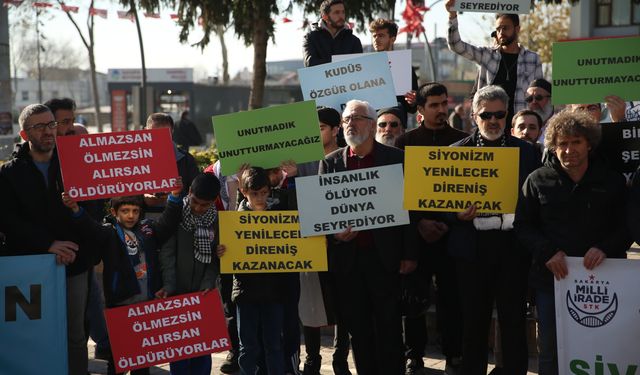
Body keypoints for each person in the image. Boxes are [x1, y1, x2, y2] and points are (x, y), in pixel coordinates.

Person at [514, 110, 631, 375]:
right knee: (551, 353)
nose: (569, 150)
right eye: (562, 144)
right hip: (551, 283)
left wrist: (605, 248)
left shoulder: (611, 181)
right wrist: (548, 252)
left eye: (575, 142)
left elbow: (627, 227)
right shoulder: (537, 180)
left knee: (602, 349)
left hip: (605, 282)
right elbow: (523, 225)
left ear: (589, 143)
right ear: (553, 147)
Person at [319, 99, 419, 375]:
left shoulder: (395, 159)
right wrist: (336, 234)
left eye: (358, 118)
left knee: (388, 327)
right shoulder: (330, 163)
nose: (351, 123)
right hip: (348, 261)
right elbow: (323, 212)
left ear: (373, 125)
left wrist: (409, 254)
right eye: (347, 119)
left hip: (385, 258)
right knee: (358, 329)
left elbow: (410, 210)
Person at [446, 85, 539, 375]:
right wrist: (455, 215)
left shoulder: (528, 153)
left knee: (513, 323)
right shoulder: (454, 154)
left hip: (513, 251)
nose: (494, 120)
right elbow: (437, 203)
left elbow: (538, 201)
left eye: (500, 114)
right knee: (473, 324)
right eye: (487, 115)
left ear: (507, 115)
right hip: (472, 252)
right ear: (474, 116)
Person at [0, 104, 94, 375]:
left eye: (51, 124)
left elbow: (92, 210)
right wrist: (48, 246)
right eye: (39, 126)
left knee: (76, 336)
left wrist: (73, 247)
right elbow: (9, 221)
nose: (48, 131)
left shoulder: (76, 165)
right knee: (31, 333)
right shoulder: (9, 173)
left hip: (75, 264)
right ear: (24, 134)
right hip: (29, 268)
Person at [63, 185, 183, 375]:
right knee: (118, 361)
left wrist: (175, 197)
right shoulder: (109, 233)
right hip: (120, 306)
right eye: (125, 211)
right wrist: (75, 209)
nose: (130, 215)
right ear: (114, 212)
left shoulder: (148, 230)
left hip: (146, 305)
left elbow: (168, 223)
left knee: (143, 361)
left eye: (135, 211)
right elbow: (89, 228)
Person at [394, 82, 467, 375]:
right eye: (433, 105)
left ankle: (454, 353)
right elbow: (399, 192)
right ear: (420, 110)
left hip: (452, 236)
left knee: (452, 299)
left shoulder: (463, 141)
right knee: (413, 300)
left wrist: (447, 222)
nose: (440, 110)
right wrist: (420, 223)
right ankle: (415, 355)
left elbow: (464, 189)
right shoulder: (405, 143)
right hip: (417, 236)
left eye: (443, 104)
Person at [288, 107, 352, 375]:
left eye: (322, 128)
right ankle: (312, 359)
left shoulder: (347, 158)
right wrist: (290, 178)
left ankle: (340, 358)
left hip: (344, 241)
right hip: (312, 241)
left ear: (336, 129)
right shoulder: (301, 162)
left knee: (345, 302)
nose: (316, 133)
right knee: (311, 301)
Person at [218, 167, 290, 375]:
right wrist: (221, 251)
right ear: (243, 192)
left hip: (273, 292)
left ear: (270, 191)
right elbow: (224, 254)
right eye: (254, 193)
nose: (259, 198)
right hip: (245, 293)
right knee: (247, 346)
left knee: (274, 344)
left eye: (264, 192)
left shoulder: (281, 218)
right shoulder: (232, 222)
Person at [158, 173, 221, 374]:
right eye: (195, 202)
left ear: (213, 202)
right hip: (178, 294)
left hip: (203, 294)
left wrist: (208, 282)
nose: (198, 208)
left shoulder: (217, 221)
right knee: (180, 352)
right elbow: (167, 255)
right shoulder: (176, 216)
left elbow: (215, 258)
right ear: (189, 192)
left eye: (205, 205)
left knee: (203, 351)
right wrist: (169, 285)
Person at [445, 0, 542, 128]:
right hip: (488, 127)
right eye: (498, 29)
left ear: (517, 29)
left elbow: (542, 96)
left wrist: (538, 123)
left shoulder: (532, 59)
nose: (501, 32)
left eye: (505, 28)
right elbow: (456, 46)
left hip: (520, 128)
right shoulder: (487, 55)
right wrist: (452, 16)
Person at [144, 113, 200, 219]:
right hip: (143, 220)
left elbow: (197, 193)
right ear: (146, 130)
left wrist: (179, 193)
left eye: (164, 133)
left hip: (179, 219)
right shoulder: (136, 159)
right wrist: (143, 197)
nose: (159, 138)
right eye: (155, 133)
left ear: (172, 132)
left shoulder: (186, 159)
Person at [368, 18, 419, 115]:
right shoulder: (364, 66)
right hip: (370, 124)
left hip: (396, 124)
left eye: (381, 35)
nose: (376, 39)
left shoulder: (403, 66)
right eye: (374, 36)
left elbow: (412, 108)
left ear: (393, 39)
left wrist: (413, 101)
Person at [302, 0, 362, 67]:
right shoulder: (311, 38)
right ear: (325, 17)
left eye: (343, 12)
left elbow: (359, 66)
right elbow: (310, 64)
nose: (341, 16)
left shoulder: (354, 41)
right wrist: (343, 63)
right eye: (337, 12)